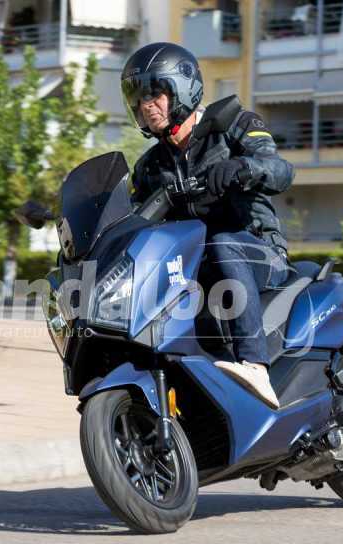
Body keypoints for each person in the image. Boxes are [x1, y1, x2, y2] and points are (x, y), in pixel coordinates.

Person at [121, 42, 294, 409]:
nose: (146, 105)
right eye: (138, 99)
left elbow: (281, 170)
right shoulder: (150, 166)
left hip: (259, 251)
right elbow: (129, 217)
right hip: (196, 266)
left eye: (155, 93)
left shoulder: (234, 126)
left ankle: (255, 365)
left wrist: (244, 168)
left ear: (182, 89)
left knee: (221, 241)